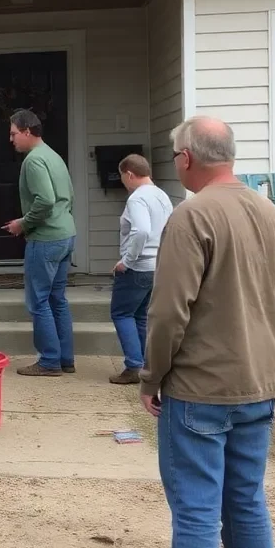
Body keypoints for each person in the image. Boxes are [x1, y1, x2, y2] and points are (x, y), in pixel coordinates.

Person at [121, 117, 275, 548]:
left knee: (196, 511)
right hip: (258, 383)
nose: (174, 164)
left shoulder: (191, 215)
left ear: (188, 157)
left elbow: (169, 312)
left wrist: (152, 377)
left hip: (200, 390)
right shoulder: (270, 213)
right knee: (245, 500)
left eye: (174, 156)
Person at [2, 108, 77, 376]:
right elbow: (67, 194)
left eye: (13, 134)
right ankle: (65, 359)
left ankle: (49, 361)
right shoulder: (53, 155)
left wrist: (23, 223)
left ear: (26, 131)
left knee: (39, 301)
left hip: (45, 239)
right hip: (66, 234)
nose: (11, 139)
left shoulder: (33, 161)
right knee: (58, 299)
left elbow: (44, 200)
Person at [109, 153, 174, 385]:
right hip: (158, 265)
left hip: (138, 267)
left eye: (122, 177)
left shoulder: (137, 199)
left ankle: (133, 365)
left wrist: (127, 261)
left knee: (121, 313)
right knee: (141, 316)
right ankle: (147, 364)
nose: (123, 182)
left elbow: (142, 230)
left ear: (129, 174)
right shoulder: (162, 196)